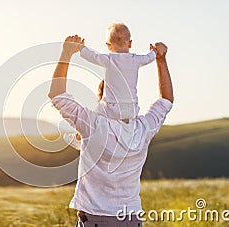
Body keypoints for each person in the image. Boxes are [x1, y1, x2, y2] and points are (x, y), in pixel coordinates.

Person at [48, 35, 174, 226]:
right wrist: (161, 60)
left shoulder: (91, 124)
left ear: (102, 97)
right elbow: (166, 100)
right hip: (130, 217)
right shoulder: (143, 128)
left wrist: (67, 53)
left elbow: (57, 94)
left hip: (95, 218)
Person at [79, 22, 156, 122]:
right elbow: (148, 58)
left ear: (109, 46)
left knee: (93, 119)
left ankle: (80, 133)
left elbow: (92, 56)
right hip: (131, 107)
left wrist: (81, 48)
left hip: (111, 106)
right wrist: (153, 52)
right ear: (130, 43)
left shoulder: (109, 59)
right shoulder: (136, 59)